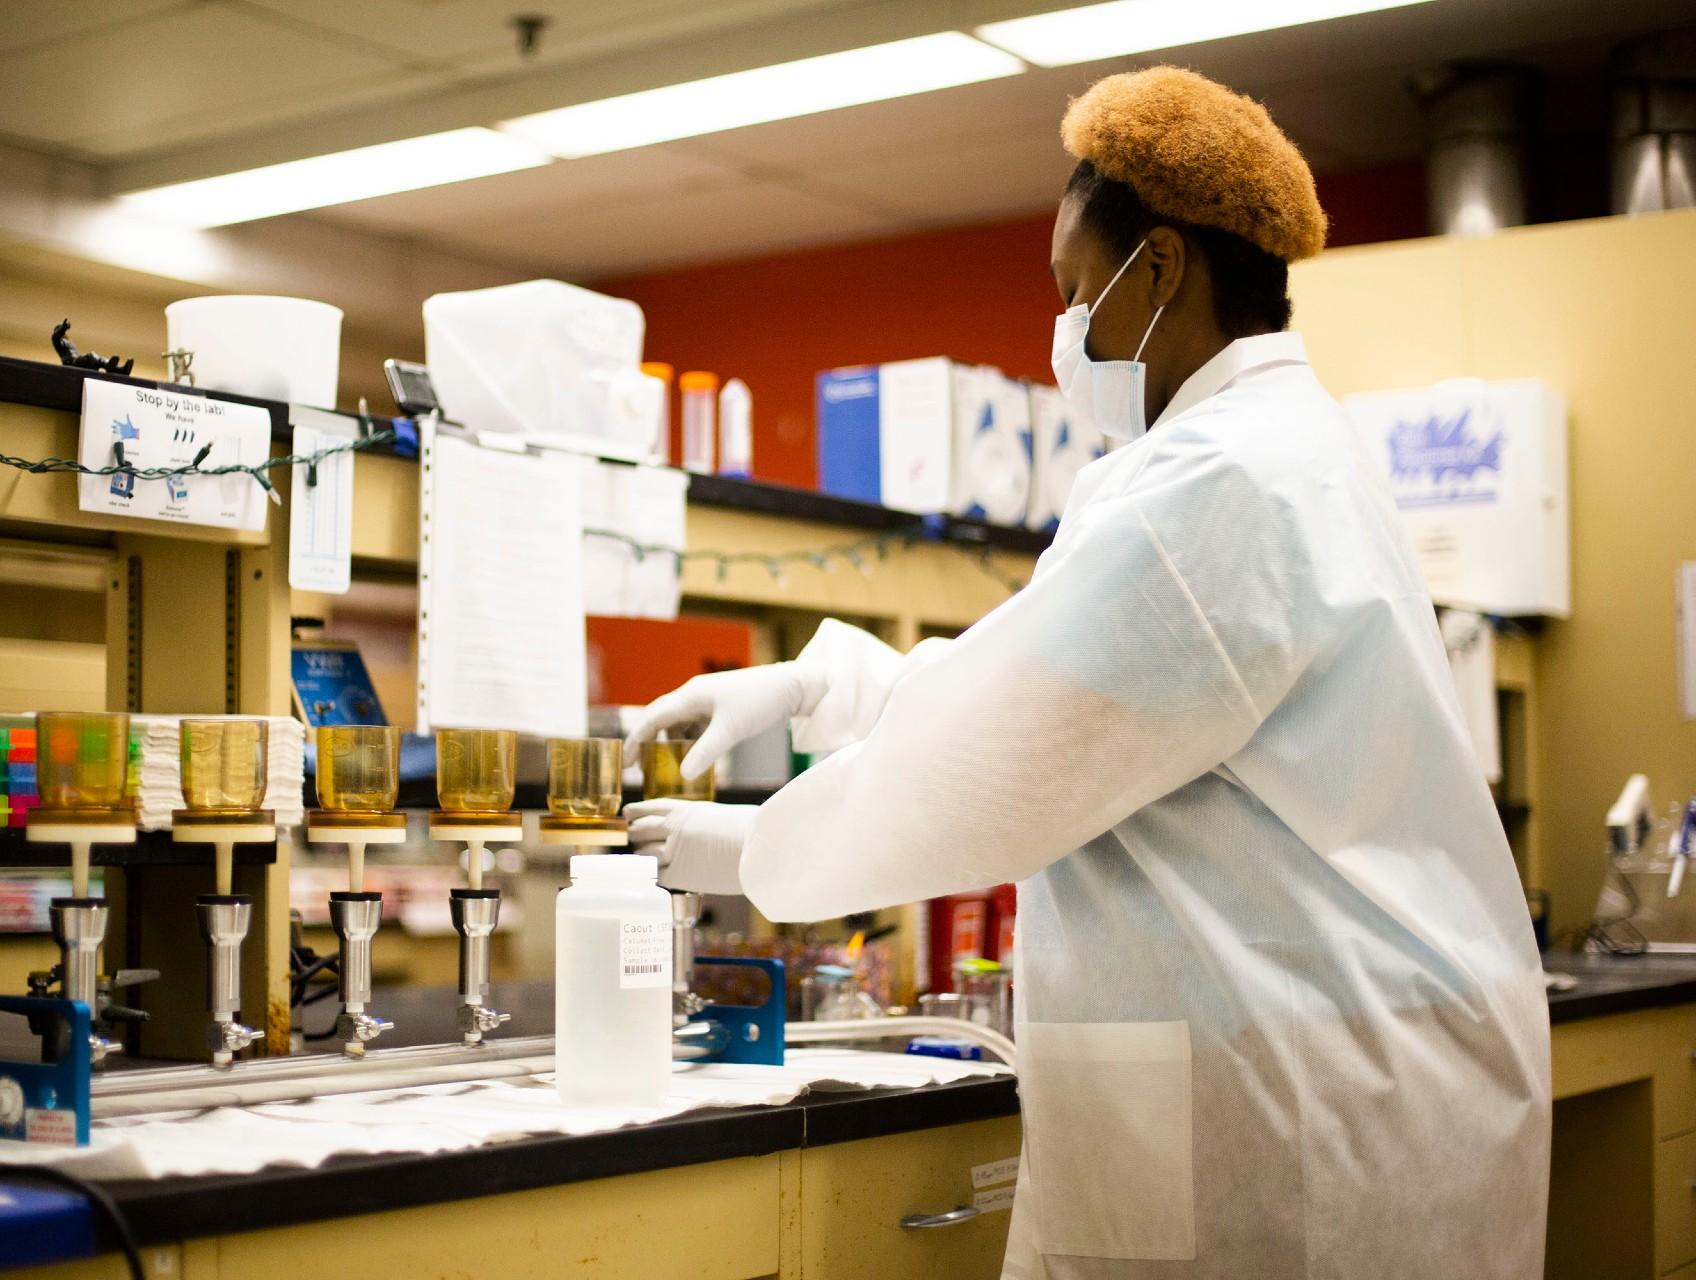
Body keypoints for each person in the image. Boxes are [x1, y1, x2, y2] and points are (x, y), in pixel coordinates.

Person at [625, 66, 1549, 1279]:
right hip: (1350, 1054)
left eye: (1074, 292)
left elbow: (994, 765)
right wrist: (822, 686)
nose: (1062, 333)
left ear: (1161, 271)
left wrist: (753, 852)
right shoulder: (1273, 452)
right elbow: (1056, 695)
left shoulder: (1222, 487)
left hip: (1320, 1105)